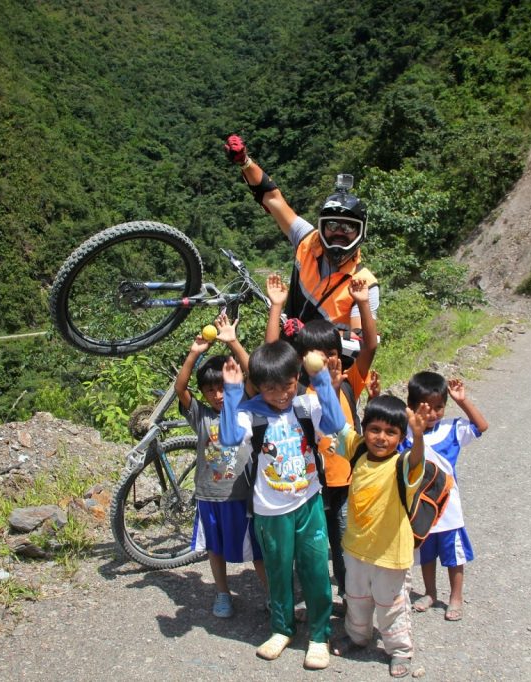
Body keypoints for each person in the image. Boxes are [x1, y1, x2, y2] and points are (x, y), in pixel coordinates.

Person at [219, 342, 347, 670]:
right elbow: (230, 437)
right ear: (258, 386)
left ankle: (319, 634)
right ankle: (282, 628)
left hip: (309, 502)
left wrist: (320, 380)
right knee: (278, 572)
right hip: (270, 511)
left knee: (316, 569)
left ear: (297, 377)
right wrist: (233, 390)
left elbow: (333, 424)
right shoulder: (250, 413)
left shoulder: (305, 405)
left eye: (287, 385)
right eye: (270, 388)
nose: (280, 395)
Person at [265, 273, 379, 614]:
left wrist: (361, 303)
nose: (324, 360)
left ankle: (351, 599)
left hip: (345, 482)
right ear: (300, 359)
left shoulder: (348, 383)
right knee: (311, 547)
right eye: (314, 354)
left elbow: (370, 345)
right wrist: (277, 307)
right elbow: (270, 356)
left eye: (330, 353)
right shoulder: (296, 391)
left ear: (339, 356)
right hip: (309, 486)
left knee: (346, 545)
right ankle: (316, 600)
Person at [223, 134, 379, 332]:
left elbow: (361, 342)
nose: (339, 232)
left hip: (331, 362)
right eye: (331, 225)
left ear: (361, 232)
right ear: (321, 226)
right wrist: (245, 163)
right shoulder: (308, 241)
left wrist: (306, 334)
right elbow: (273, 199)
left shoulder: (365, 284)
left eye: (348, 227)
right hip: (289, 356)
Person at [172, 313, 266, 618]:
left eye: (223, 388)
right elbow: (180, 388)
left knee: (258, 551)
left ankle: (271, 595)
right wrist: (194, 353)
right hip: (210, 495)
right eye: (210, 390)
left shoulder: (243, 408)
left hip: (242, 496)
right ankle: (223, 593)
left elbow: (255, 372)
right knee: (215, 548)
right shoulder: (201, 415)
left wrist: (233, 341)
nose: (217, 395)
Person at [329, 395, 429, 678]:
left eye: (391, 432)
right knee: (357, 597)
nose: (381, 437)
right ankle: (358, 636)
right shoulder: (358, 451)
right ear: (364, 429)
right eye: (374, 429)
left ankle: (399, 649)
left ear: (401, 436)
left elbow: (417, 457)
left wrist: (418, 436)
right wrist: (329, 385)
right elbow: (338, 424)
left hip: (390, 556)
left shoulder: (403, 466)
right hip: (356, 549)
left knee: (391, 604)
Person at [405, 371, 488, 622]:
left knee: (454, 556)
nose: (433, 414)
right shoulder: (407, 433)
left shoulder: (452, 429)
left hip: (449, 509)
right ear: (412, 406)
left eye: (439, 407)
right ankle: (430, 593)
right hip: (421, 510)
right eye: (427, 408)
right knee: (426, 554)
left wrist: (462, 400)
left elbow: (481, 426)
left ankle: (455, 597)